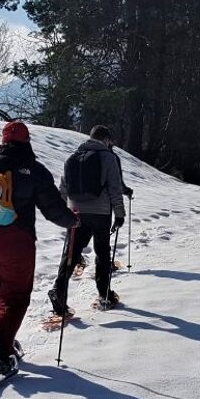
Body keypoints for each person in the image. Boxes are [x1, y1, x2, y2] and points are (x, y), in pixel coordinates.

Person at [0, 121, 78, 375]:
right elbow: (53, 209)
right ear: (27, 141)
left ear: (2, 141)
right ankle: (0, 343)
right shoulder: (34, 170)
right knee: (15, 295)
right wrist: (72, 220)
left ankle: (1, 339)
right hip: (16, 242)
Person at [50, 124, 128, 314]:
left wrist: (64, 212)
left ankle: (59, 290)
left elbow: (63, 187)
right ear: (106, 139)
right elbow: (115, 188)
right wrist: (119, 214)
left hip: (75, 212)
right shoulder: (108, 158)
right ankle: (104, 294)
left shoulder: (73, 157)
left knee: (71, 252)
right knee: (102, 252)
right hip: (100, 212)